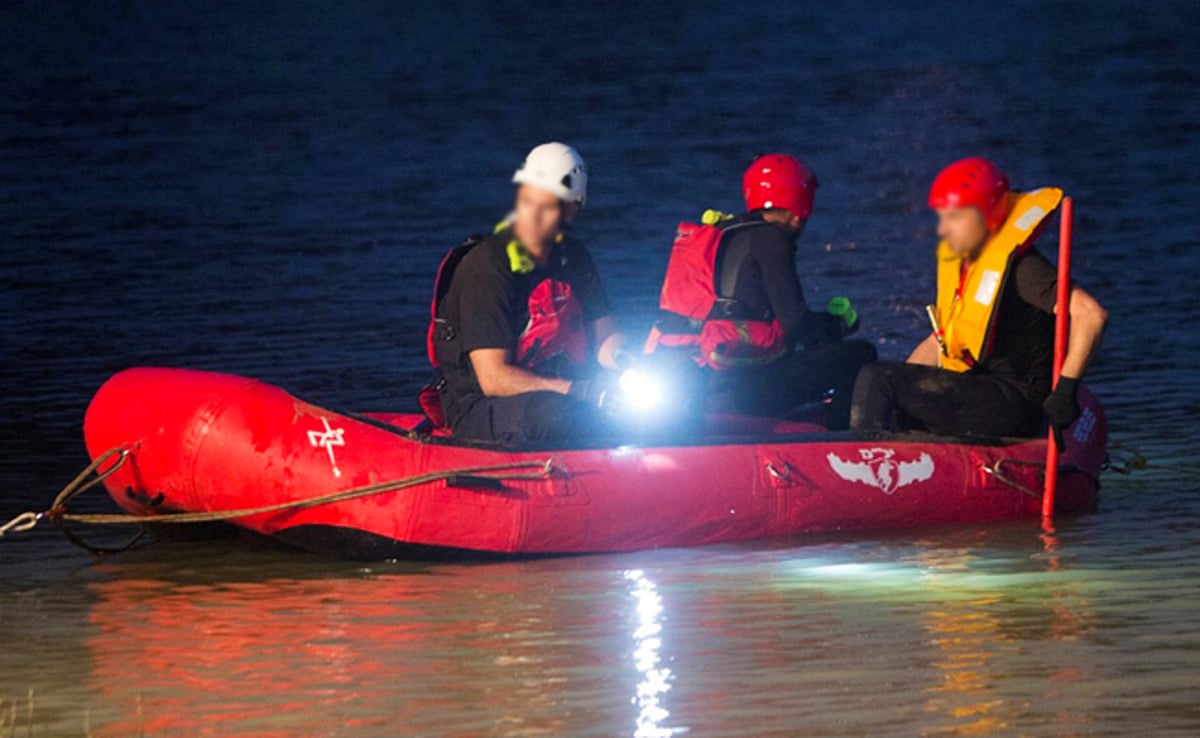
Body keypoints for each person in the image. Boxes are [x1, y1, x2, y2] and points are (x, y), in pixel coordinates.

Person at [850, 157, 1108, 441]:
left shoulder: (1024, 269)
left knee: (879, 379)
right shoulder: (970, 266)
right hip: (983, 389)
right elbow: (941, 342)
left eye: (955, 217)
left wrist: (1066, 391)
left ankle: (862, 465)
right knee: (881, 385)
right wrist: (905, 382)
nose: (943, 230)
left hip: (1016, 402)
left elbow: (1091, 315)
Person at [644, 154, 877, 428]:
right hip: (748, 390)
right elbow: (797, 324)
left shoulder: (722, 232)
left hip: (696, 380)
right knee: (860, 355)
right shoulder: (773, 239)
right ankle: (842, 442)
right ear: (801, 204)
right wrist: (838, 324)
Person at [428, 142, 631, 445]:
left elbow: (606, 342)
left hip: (569, 395)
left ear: (573, 209)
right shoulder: (488, 266)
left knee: (675, 396)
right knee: (558, 415)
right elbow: (493, 378)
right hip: (485, 405)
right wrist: (580, 391)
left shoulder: (575, 258)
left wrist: (631, 363)